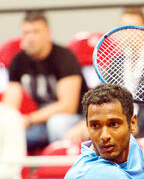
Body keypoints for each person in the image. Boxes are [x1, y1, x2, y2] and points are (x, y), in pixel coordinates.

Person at [64, 5, 144, 144]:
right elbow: (103, 94)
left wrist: (134, 123)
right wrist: (86, 121)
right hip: (117, 123)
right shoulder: (116, 62)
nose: (129, 32)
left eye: (133, 27)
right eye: (124, 28)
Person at [2, 10, 88, 152]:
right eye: (26, 33)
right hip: (40, 122)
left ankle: (62, 170)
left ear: (48, 33)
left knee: (57, 123)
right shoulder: (18, 61)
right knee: (9, 131)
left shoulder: (64, 57)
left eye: (36, 32)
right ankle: (17, 173)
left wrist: (29, 119)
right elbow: (9, 106)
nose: (30, 38)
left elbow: (68, 106)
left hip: (75, 119)